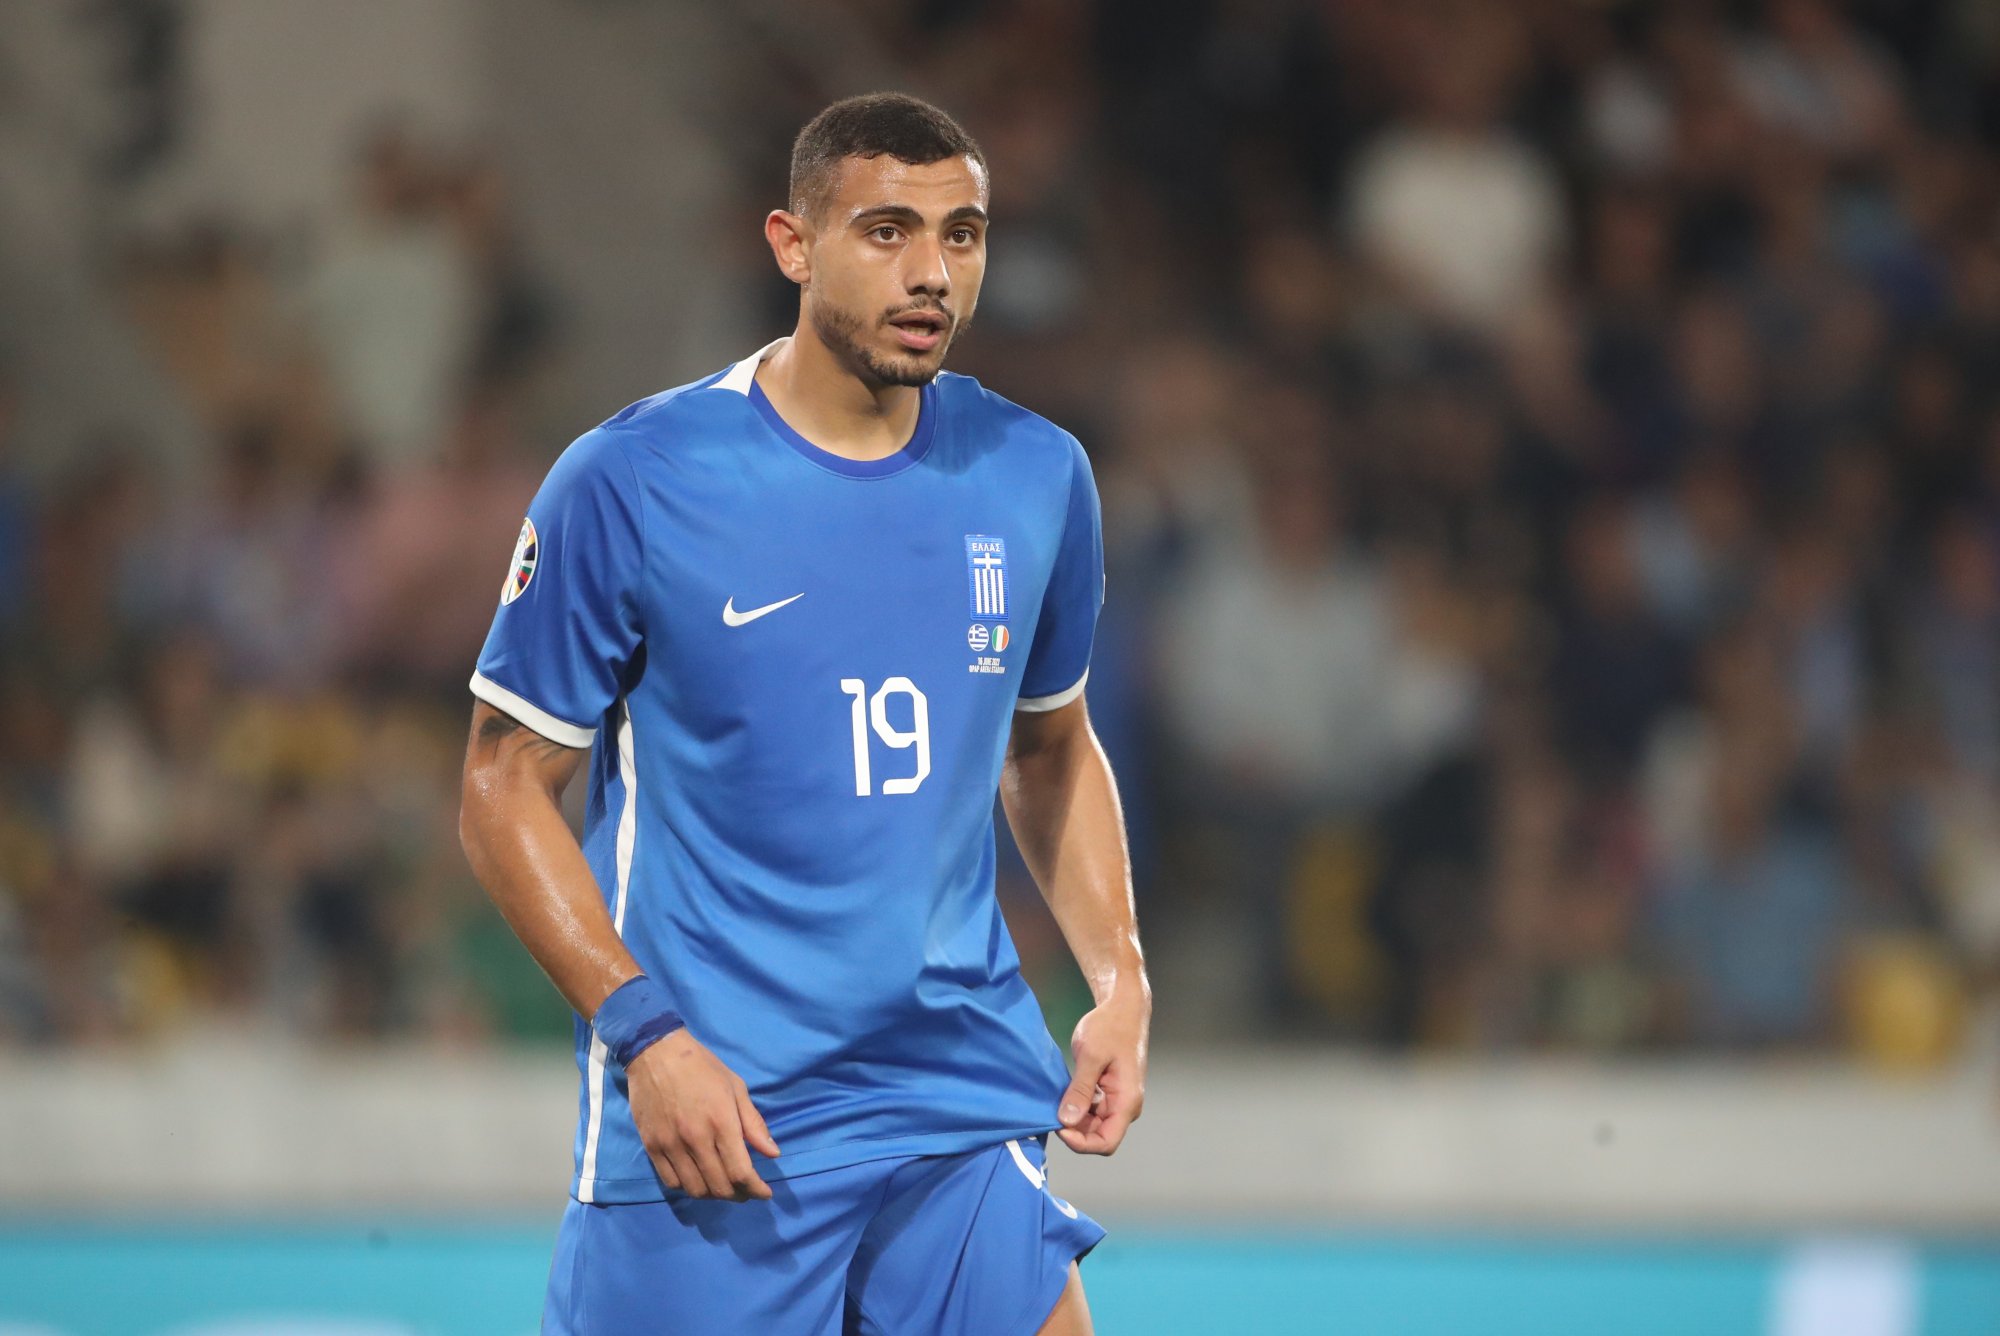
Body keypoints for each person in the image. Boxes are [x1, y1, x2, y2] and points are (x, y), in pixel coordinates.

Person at [458, 93, 1147, 1335]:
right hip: (722, 1116)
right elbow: (501, 787)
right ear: (791, 244)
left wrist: (1119, 979)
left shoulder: (1035, 473)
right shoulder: (635, 479)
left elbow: (1047, 748)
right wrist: (645, 1037)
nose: (931, 272)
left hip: (956, 1095)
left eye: (961, 234)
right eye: (886, 231)